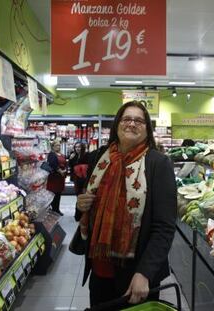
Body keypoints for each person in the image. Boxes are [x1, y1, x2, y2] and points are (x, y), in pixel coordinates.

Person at [76, 101, 177, 309]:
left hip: (136, 276)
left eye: (139, 120)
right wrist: (81, 205)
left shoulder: (158, 163)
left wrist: (145, 273)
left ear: (147, 128)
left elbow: (164, 227)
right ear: (117, 125)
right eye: (126, 119)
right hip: (99, 268)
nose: (132, 124)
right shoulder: (100, 158)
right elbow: (87, 207)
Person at [68, 142, 88, 220]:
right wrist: (70, 159)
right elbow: (71, 166)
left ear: (82, 147)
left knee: (83, 195)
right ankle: (78, 214)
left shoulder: (87, 155)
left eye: (79, 147)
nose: (77, 148)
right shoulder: (74, 156)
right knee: (78, 195)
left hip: (85, 179)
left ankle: (83, 214)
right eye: (76, 147)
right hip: (77, 179)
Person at [46, 140, 66, 216]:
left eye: (59, 145)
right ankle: (53, 210)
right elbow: (52, 164)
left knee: (58, 194)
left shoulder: (61, 154)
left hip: (60, 177)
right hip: (54, 177)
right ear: (53, 147)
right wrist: (60, 170)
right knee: (54, 194)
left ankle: (57, 209)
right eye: (56, 145)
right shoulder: (51, 154)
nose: (58, 147)